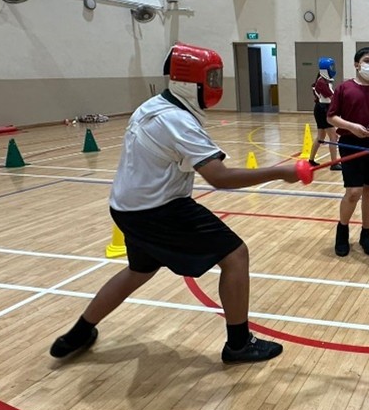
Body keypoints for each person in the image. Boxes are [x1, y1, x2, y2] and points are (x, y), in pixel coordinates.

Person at [49, 43, 299, 364]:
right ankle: (238, 344)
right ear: (187, 81)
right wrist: (280, 171)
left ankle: (79, 332)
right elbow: (218, 177)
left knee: (139, 271)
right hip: (158, 209)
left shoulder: (154, 105)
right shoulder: (176, 120)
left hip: (126, 207)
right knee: (236, 256)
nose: (215, 86)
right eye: (210, 79)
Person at [325, 47, 369, 257]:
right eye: (367, 60)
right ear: (356, 64)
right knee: (354, 192)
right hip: (350, 143)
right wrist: (352, 127)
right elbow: (331, 117)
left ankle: (366, 233)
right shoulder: (344, 88)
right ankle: (342, 231)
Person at [306, 56, 341, 171]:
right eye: (331, 67)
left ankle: (311, 160)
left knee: (321, 137)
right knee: (333, 137)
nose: (333, 69)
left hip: (323, 109)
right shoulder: (321, 82)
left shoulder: (325, 80)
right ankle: (334, 163)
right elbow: (331, 96)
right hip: (323, 110)